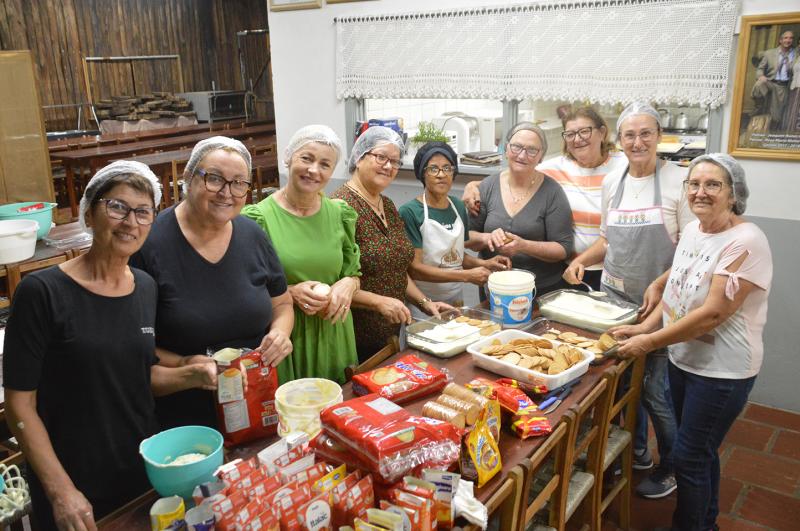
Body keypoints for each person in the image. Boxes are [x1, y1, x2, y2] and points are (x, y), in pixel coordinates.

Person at [2, 162, 216, 530]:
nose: (130, 221)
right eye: (116, 206)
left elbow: (137, 374)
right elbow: (20, 403)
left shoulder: (145, 287)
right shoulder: (42, 293)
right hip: (74, 477)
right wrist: (60, 491)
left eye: (143, 212)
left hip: (139, 465)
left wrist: (192, 375)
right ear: (89, 211)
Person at [611, 154, 772, 531]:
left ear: (733, 194)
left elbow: (713, 314)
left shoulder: (747, 241)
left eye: (713, 185)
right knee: (699, 451)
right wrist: (644, 324)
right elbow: (679, 283)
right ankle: (706, 523)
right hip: (685, 361)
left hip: (723, 371)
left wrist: (648, 342)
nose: (700, 192)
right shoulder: (697, 229)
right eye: (694, 184)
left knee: (688, 457)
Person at [563, 102, 694, 499]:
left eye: (646, 134)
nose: (638, 142)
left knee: (655, 390)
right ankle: (636, 451)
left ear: (658, 136)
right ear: (619, 140)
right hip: (615, 300)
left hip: (661, 308)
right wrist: (582, 260)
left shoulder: (678, 182)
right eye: (630, 135)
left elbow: (692, 250)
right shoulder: (613, 182)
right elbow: (608, 238)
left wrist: (659, 284)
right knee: (622, 386)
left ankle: (674, 464)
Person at [131, 137, 293, 430]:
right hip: (185, 410)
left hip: (255, 401)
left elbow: (282, 303)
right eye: (215, 179)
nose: (226, 193)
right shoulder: (149, 244)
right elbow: (136, 344)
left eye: (239, 183)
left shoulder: (252, 234)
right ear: (189, 179)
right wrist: (186, 365)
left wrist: (281, 334)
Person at [241, 125, 360, 384]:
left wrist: (349, 284)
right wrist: (290, 293)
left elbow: (352, 271)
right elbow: (244, 290)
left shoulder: (340, 214)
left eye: (325, 164)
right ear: (289, 157)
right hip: (287, 334)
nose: (314, 170)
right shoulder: (258, 220)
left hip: (334, 332)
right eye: (306, 158)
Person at [463, 107, 627, 290]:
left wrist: (524, 245)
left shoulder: (623, 167)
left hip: (609, 267)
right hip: (568, 270)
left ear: (602, 132)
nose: (578, 139)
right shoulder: (556, 167)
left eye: (584, 131)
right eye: (571, 134)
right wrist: (473, 186)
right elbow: (518, 171)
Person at [331, 126, 451, 361]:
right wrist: (379, 303)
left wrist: (425, 303)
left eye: (395, 162)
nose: (388, 166)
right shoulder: (339, 206)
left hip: (389, 332)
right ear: (360, 156)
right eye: (381, 157)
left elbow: (395, 268)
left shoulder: (387, 204)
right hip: (354, 333)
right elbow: (333, 284)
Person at [399, 141, 510, 318]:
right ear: (423, 174)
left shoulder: (457, 206)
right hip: (425, 303)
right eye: (433, 169)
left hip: (456, 298)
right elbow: (415, 269)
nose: (441, 175)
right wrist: (466, 276)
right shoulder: (410, 212)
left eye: (447, 168)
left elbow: (455, 256)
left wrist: (484, 264)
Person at [468, 122, 575, 295]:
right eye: (516, 147)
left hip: (540, 290)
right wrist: (489, 237)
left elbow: (563, 248)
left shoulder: (552, 192)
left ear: (541, 157)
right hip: (495, 286)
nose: (522, 155)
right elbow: (467, 237)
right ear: (505, 148)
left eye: (532, 150)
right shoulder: (487, 187)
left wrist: (524, 246)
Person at [752, 30, 795, 131]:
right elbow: (760, 69)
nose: (788, 40)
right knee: (759, 84)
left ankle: (772, 132)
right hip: (771, 82)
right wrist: (761, 76)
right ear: (780, 40)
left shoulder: (795, 54)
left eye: (791, 38)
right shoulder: (769, 53)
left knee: (777, 116)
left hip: (784, 87)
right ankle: (758, 107)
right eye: (786, 38)